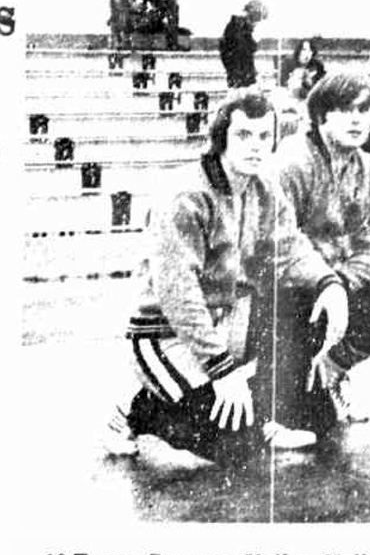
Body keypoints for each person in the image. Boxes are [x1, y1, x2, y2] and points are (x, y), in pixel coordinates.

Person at [105, 91, 347, 463]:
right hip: (166, 332)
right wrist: (222, 370)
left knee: (306, 310)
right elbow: (178, 294)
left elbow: (290, 248)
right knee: (234, 448)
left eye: (265, 137)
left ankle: (262, 414)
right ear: (221, 138)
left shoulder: (265, 187)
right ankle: (140, 408)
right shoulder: (185, 195)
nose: (256, 147)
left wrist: (329, 284)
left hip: (230, 323)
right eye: (244, 135)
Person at [272, 69, 370, 435]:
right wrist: (323, 281)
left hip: (339, 285)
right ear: (322, 115)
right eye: (345, 109)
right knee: (311, 425)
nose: (358, 119)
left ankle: (335, 365)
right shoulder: (292, 161)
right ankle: (301, 374)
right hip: (293, 290)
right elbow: (280, 240)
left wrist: (340, 282)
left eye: (365, 109)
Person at [218, 0, 268, 88]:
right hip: (240, 78)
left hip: (241, 76)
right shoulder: (237, 30)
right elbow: (241, 53)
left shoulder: (241, 29)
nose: (256, 24)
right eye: (257, 20)